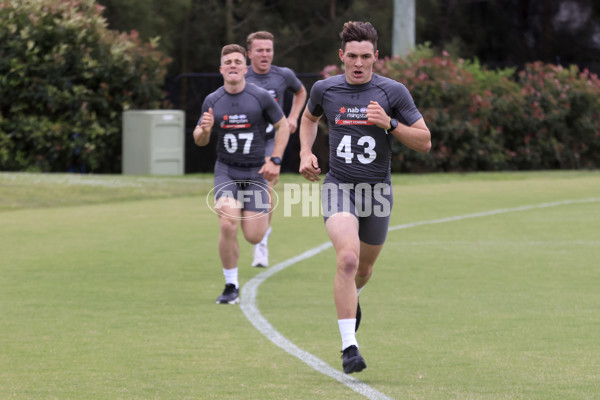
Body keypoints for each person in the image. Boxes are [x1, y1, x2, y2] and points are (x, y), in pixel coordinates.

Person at [298, 21, 431, 373]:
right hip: (338, 186)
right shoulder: (325, 89)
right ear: (341, 56)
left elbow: (425, 141)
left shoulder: (393, 92)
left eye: (366, 57)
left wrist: (389, 124)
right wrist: (304, 153)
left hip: (378, 192)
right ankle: (349, 347)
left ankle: (352, 299)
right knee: (347, 260)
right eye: (352, 56)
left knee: (364, 269)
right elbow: (308, 119)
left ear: (376, 57)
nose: (358, 63)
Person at [194, 44, 290, 304]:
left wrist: (275, 160)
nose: (233, 65)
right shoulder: (213, 100)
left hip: (256, 173)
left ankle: (263, 225)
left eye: (238, 61)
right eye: (228, 62)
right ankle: (231, 285)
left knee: (254, 236)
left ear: (245, 68)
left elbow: (283, 126)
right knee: (227, 224)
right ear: (221, 69)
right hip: (226, 171)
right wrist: (204, 130)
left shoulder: (260, 96)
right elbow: (199, 139)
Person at [245, 31, 307, 268]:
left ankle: (261, 241)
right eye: (260, 50)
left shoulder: (283, 75)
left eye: (268, 50)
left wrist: (293, 117)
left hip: (272, 141)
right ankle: (255, 228)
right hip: (246, 143)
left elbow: (301, 92)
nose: (265, 54)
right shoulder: (242, 75)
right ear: (250, 53)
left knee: (265, 185)